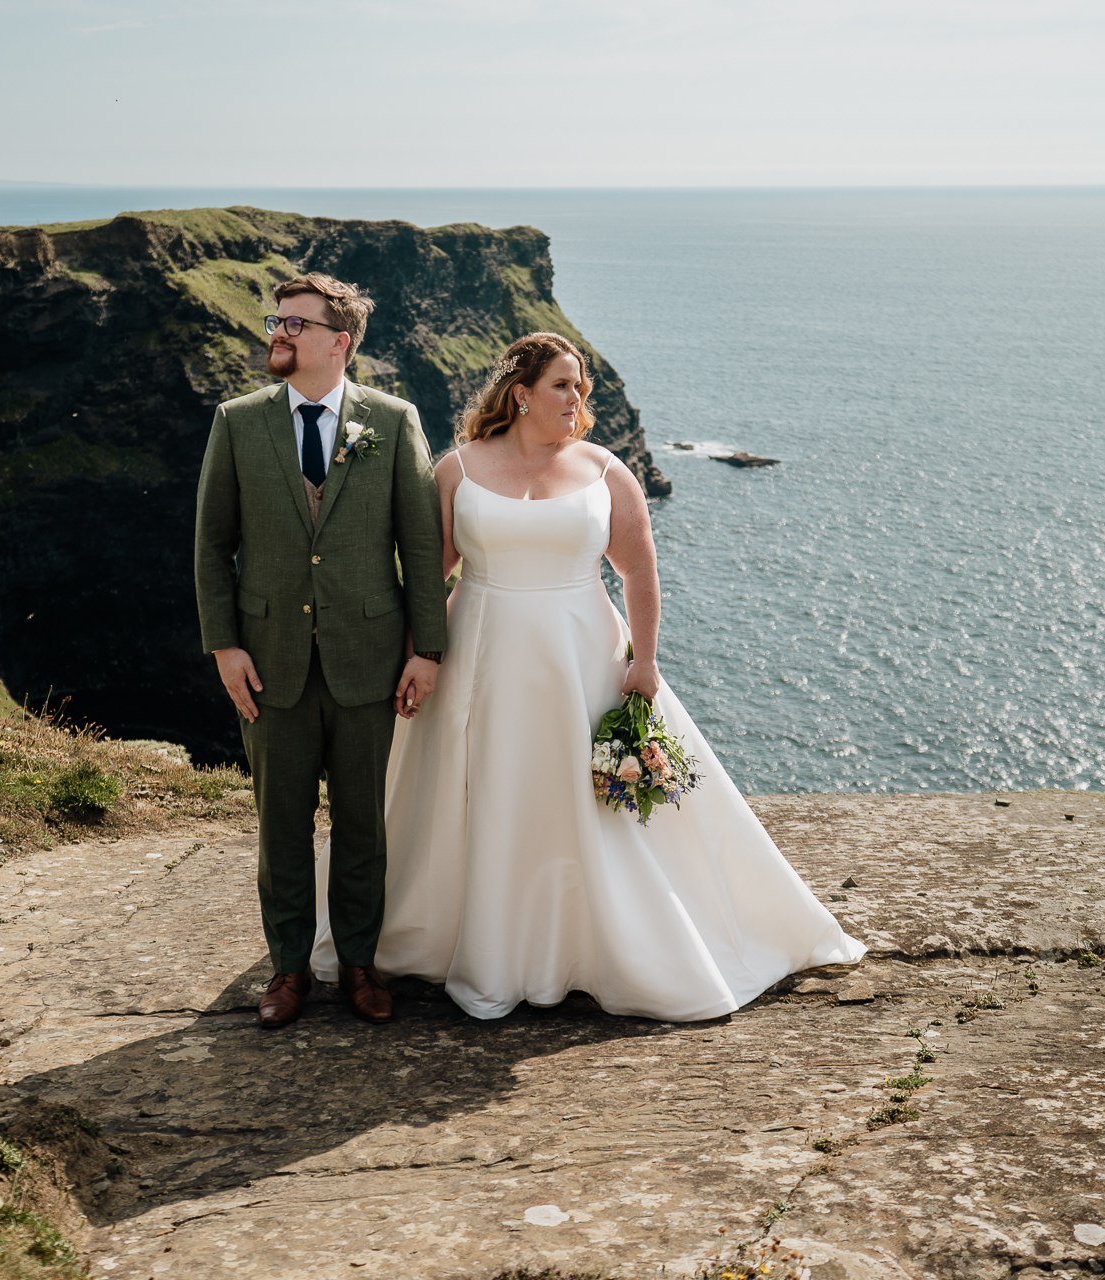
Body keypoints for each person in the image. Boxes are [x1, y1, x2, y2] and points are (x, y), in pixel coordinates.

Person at [313, 332, 865, 1021]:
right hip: (477, 655)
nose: (577, 399)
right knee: (475, 793)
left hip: (581, 658)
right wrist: (420, 656)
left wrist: (645, 661)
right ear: (521, 395)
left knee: (583, 801)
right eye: (563, 386)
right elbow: (431, 575)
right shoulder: (457, 470)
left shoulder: (606, 472)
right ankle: (462, 939)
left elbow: (639, 571)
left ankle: (591, 945)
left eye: (581, 388)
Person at [193, 272, 447, 1028]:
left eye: (296, 324)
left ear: (339, 343)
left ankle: (361, 966)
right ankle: (288, 969)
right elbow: (212, 547)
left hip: (369, 660)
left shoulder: (393, 421)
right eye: (277, 321)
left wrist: (426, 650)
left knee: (364, 826)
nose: (279, 332)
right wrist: (224, 648)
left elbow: (421, 546)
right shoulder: (237, 422)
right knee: (281, 825)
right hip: (268, 662)